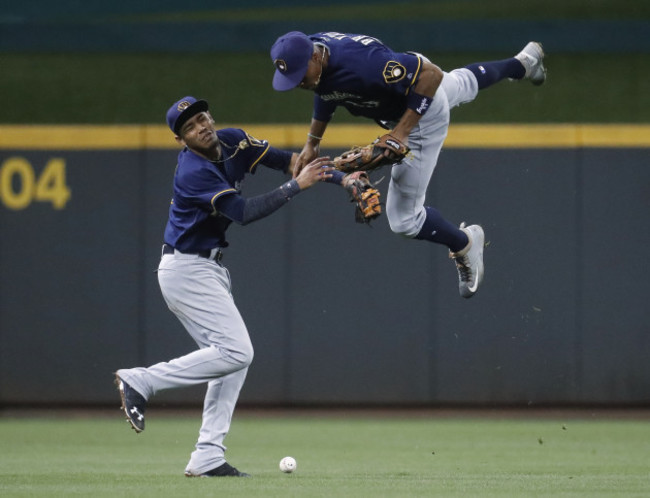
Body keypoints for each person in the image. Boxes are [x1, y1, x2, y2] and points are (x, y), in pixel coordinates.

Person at [115, 96, 333, 478]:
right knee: (238, 351)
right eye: (189, 127)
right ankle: (142, 380)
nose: (201, 126)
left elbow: (289, 162)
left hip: (207, 268)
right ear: (182, 140)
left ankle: (207, 455)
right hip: (185, 269)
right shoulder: (193, 172)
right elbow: (244, 212)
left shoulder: (233, 140)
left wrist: (341, 170)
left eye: (202, 117)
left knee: (229, 363)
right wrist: (297, 186)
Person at [270, 31, 547, 298]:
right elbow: (327, 90)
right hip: (406, 80)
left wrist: (401, 133)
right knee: (461, 84)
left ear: (315, 58)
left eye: (298, 74)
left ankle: (465, 243)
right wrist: (313, 142)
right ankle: (523, 63)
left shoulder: (363, 66)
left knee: (404, 220)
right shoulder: (316, 51)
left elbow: (430, 76)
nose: (297, 82)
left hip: (419, 113)